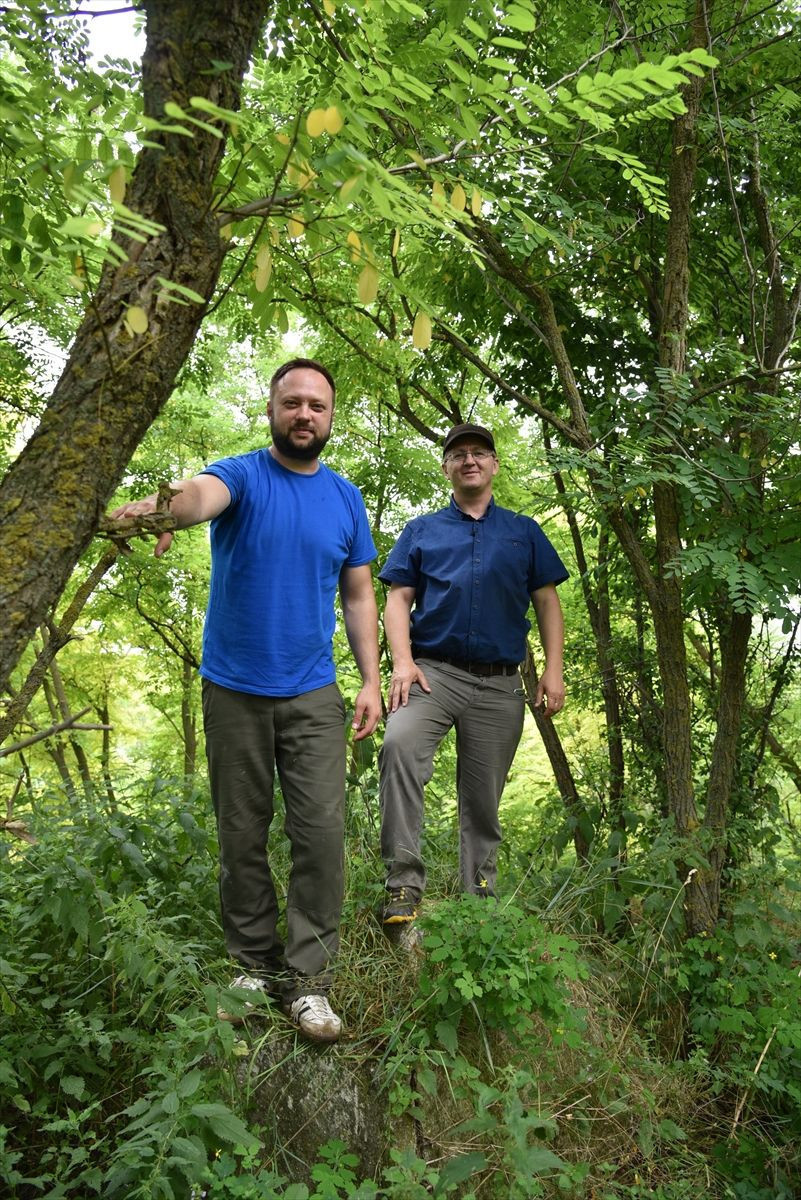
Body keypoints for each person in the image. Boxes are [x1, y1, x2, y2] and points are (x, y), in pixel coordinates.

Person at [109, 359, 381, 1042]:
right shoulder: (241, 474)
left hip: (313, 692)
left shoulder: (345, 498)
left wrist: (374, 678)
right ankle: (252, 968)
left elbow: (358, 595)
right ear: (271, 410)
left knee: (320, 837)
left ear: (331, 417)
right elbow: (199, 498)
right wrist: (159, 508)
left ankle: (310, 983)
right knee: (241, 835)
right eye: (292, 402)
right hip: (233, 688)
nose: (303, 415)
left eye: (316, 405)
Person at [378, 423, 568, 928]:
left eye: (479, 453)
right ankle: (402, 885)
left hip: (501, 683)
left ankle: (479, 898)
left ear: (493, 464)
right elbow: (396, 599)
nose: (469, 460)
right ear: (446, 467)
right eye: (458, 454)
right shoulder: (421, 531)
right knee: (399, 744)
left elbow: (547, 600)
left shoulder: (523, 532)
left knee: (483, 797)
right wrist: (402, 661)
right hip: (431, 675)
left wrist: (553, 670)